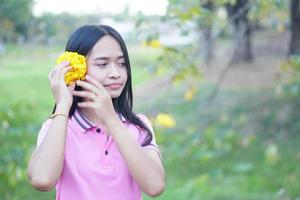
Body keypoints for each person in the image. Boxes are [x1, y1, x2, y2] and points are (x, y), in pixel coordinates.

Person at [27, 25, 165, 200]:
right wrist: (62, 104)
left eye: (122, 64)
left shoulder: (139, 126)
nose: (116, 73)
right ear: (76, 70)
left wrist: (111, 120)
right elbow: (42, 179)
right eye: (102, 64)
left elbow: (155, 186)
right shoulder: (57, 127)